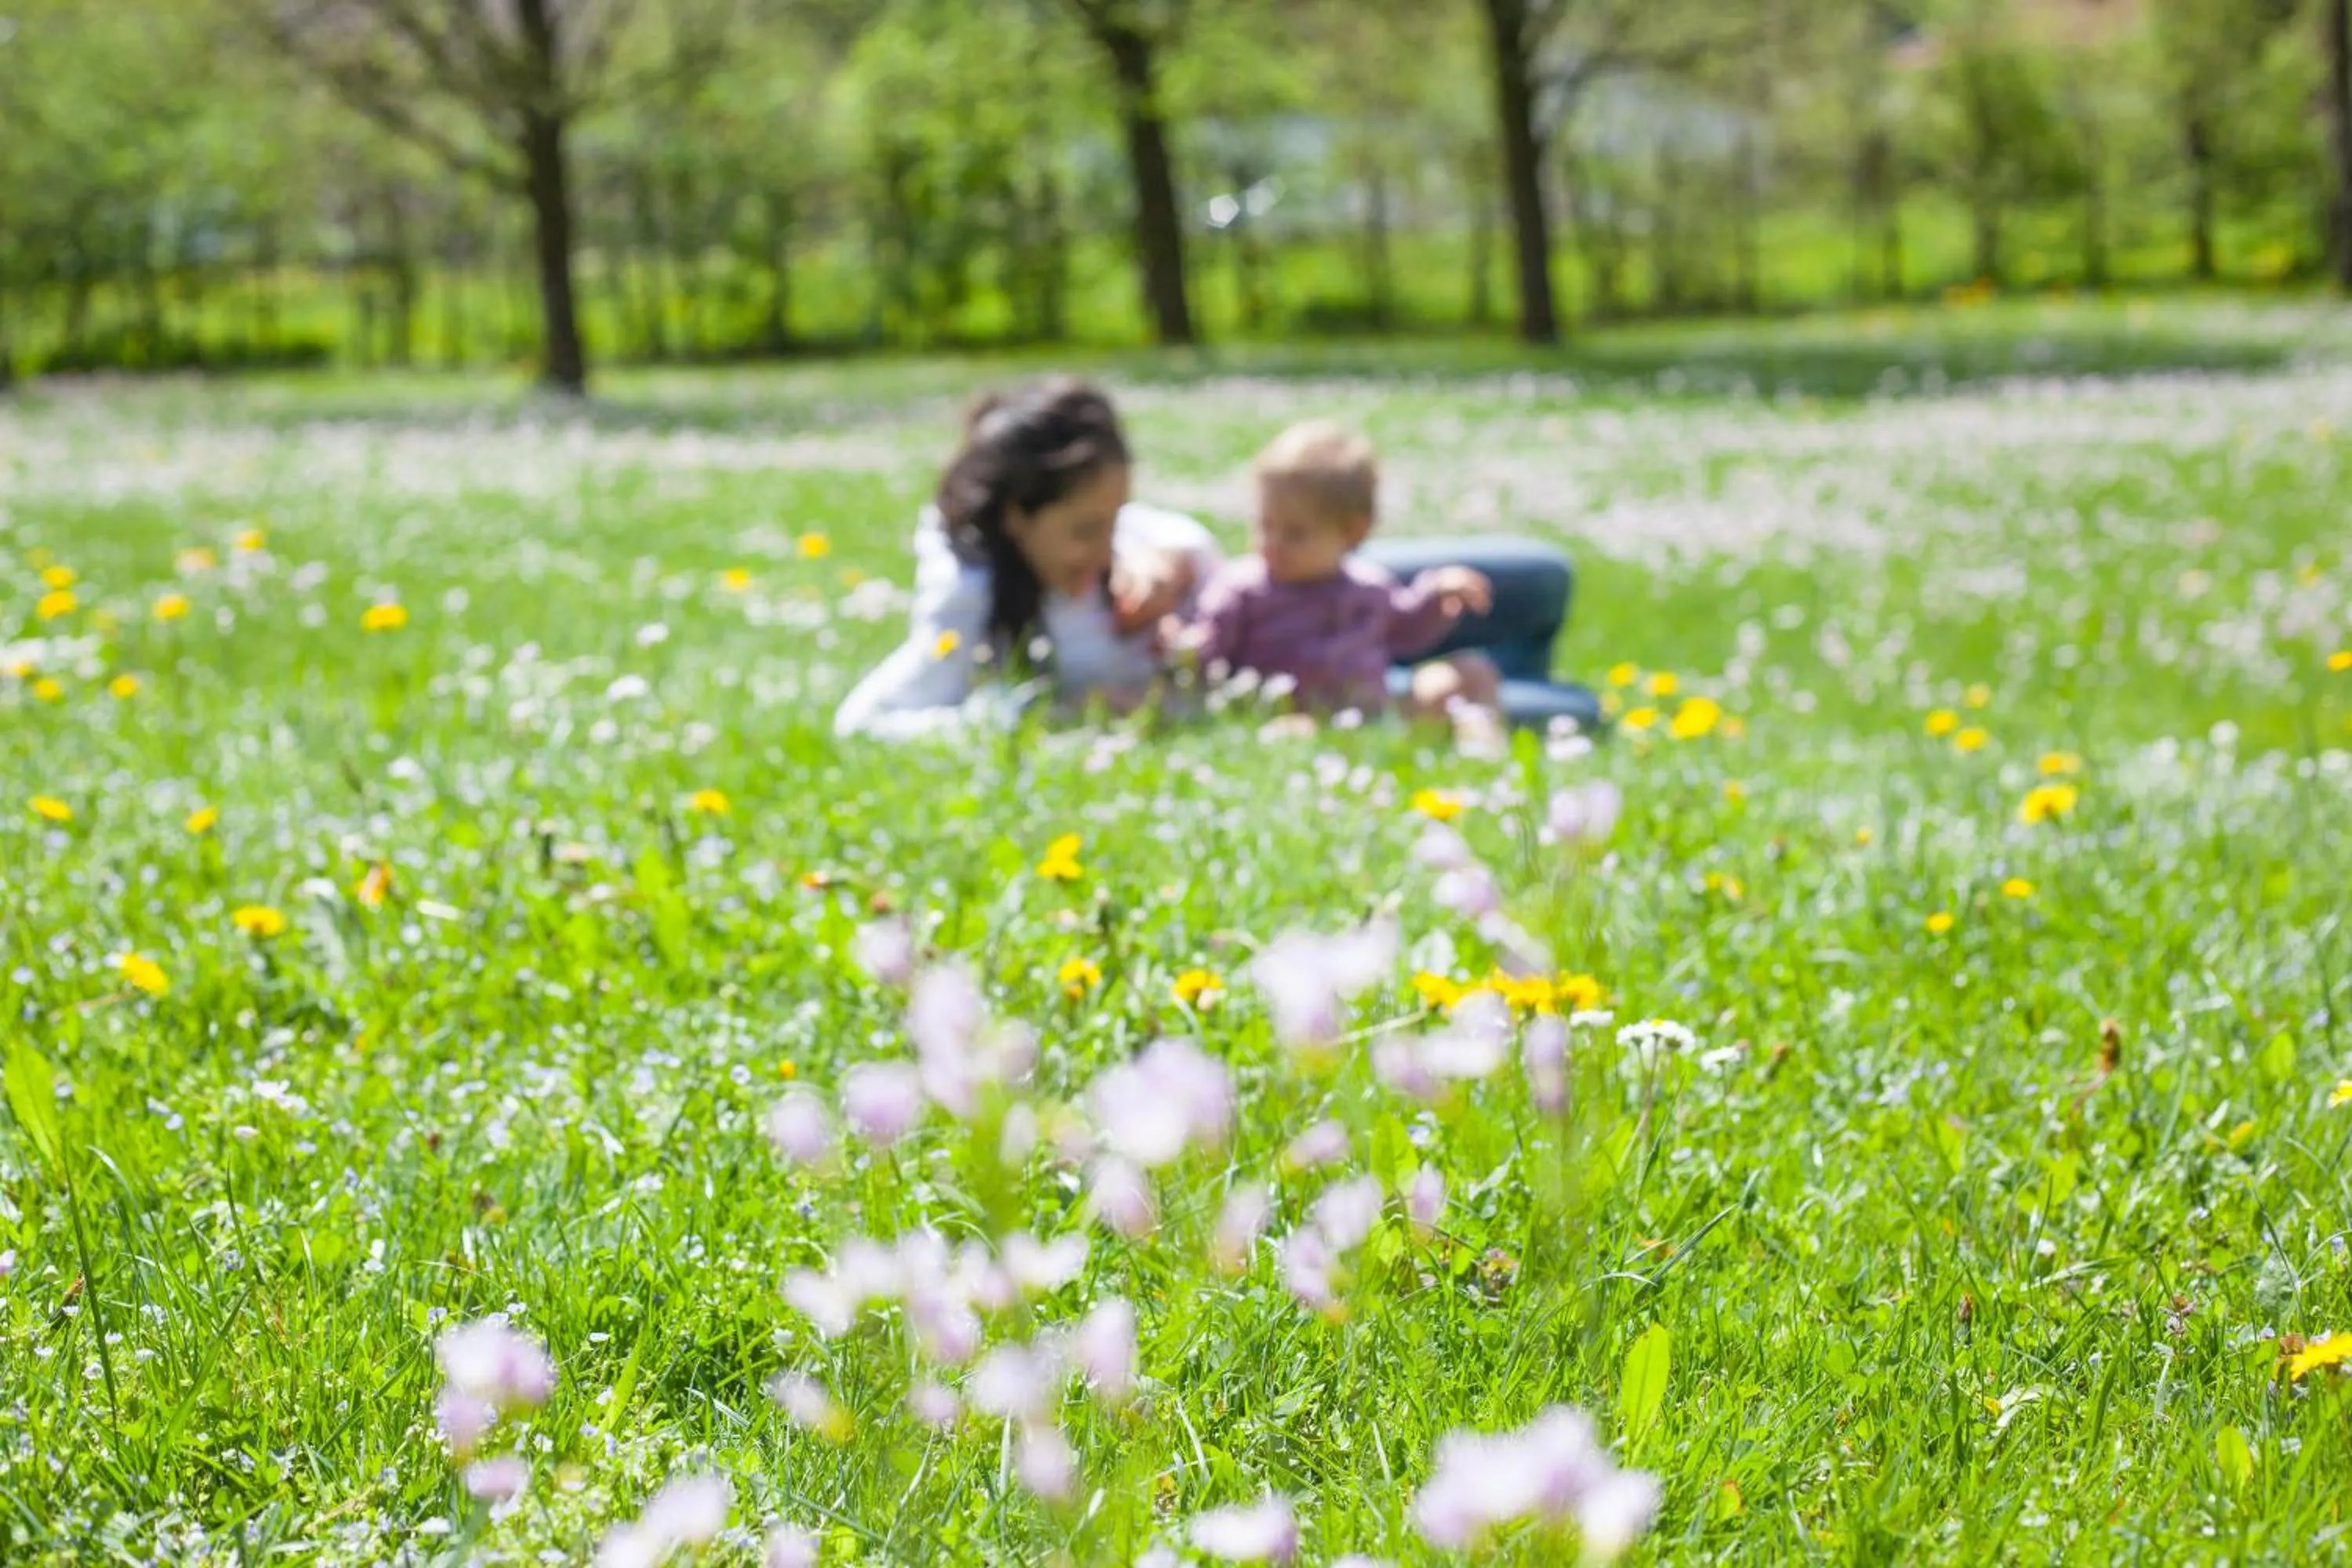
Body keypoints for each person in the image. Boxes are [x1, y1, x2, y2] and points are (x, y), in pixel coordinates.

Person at [833, 378, 1220, 739]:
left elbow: (1173, 534)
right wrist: (1045, 711)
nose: (1106, 552)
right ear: (1016, 516)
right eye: (1085, 531)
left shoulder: (1124, 549)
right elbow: (863, 722)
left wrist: (1172, 560)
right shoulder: (970, 597)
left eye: (1114, 521)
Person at [1183, 420, 1504, 733]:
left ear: (1352, 531)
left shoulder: (1369, 587)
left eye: (1295, 533)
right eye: (1265, 526)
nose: (1273, 543)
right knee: (1295, 730)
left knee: (1473, 673)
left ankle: (1482, 751)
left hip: (1371, 717)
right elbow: (1210, 650)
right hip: (1288, 718)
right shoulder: (1243, 589)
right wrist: (1185, 649)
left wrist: (1436, 595)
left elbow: (1406, 633)